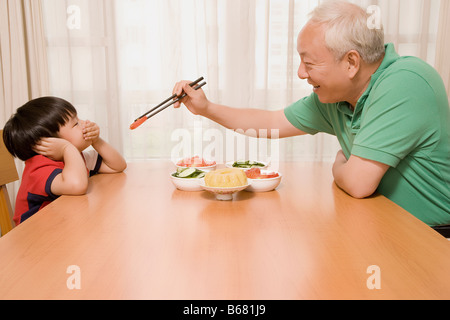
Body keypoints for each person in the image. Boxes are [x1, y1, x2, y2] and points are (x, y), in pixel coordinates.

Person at [172, 0, 450, 227]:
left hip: (434, 239)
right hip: (384, 226)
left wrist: (339, 165)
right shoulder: (335, 97)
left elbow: (358, 183)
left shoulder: (405, 81)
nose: (301, 73)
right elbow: (270, 122)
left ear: (351, 62)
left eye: (308, 62)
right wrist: (206, 109)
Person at [2, 96, 127, 225]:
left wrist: (96, 141)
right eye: (76, 124)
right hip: (34, 238)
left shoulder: (74, 158)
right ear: (49, 142)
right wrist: (67, 148)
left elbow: (117, 165)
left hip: (63, 228)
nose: (85, 123)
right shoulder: (38, 170)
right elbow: (77, 185)